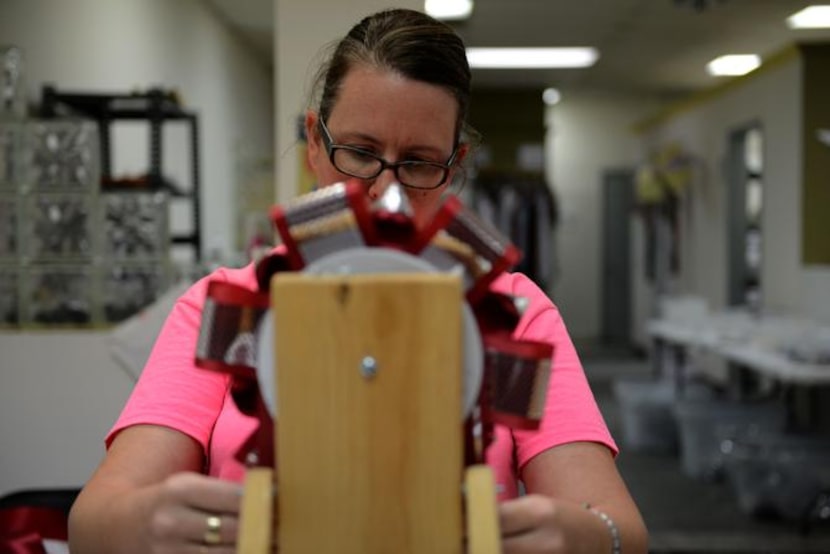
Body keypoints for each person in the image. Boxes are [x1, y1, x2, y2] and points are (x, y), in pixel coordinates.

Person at [68, 8, 648, 554]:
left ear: (456, 164)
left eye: (420, 162)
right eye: (360, 152)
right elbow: (93, 521)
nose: (386, 194)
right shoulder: (227, 306)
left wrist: (588, 536)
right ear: (315, 143)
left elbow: (621, 528)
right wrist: (142, 524)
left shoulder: (513, 311)